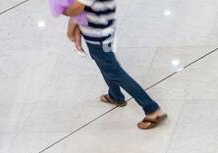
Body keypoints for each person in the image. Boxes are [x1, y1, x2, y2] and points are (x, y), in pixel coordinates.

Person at [60, 2, 167, 130]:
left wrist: (62, 10)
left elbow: (76, 9)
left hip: (98, 39)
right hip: (103, 32)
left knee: (115, 72)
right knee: (107, 67)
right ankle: (115, 96)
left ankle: (153, 110)